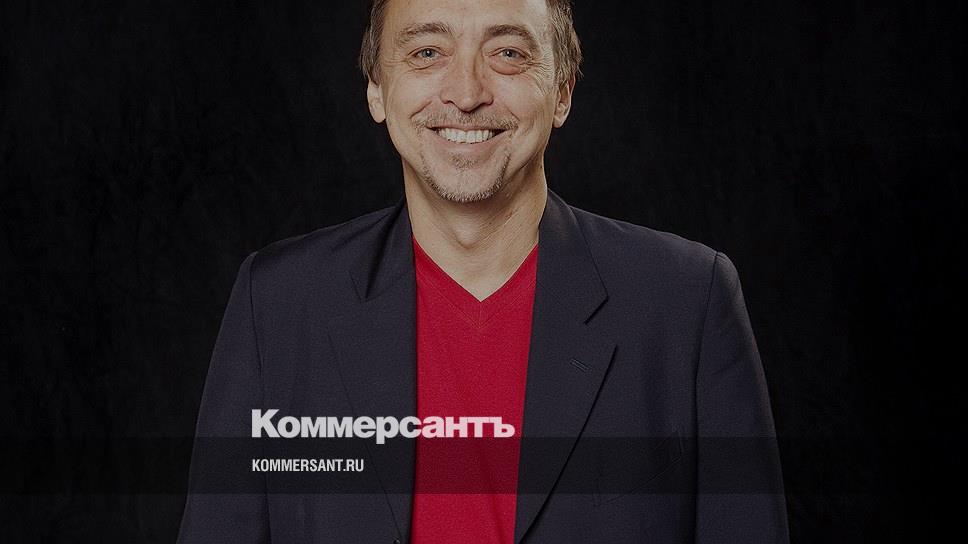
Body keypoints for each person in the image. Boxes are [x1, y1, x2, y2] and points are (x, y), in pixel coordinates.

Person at [178, 0, 789, 542]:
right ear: (376, 89)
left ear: (563, 91)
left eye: (508, 53)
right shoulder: (278, 305)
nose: (466, 93)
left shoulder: (688, 302)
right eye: (427, 52)